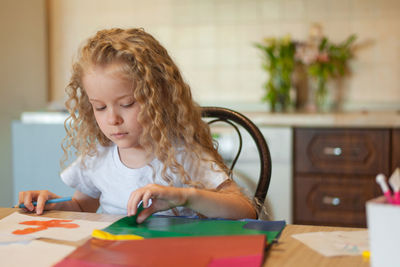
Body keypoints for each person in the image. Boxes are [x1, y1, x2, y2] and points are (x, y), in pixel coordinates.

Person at [18, 28, 257, 223]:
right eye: (100, 107)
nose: (112, 119)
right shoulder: (98, 157)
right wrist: (49, 204)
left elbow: (246, 209)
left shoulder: (183, 155)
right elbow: (82, 206)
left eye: (127, 103)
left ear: (158, 97)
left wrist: (184, 197)